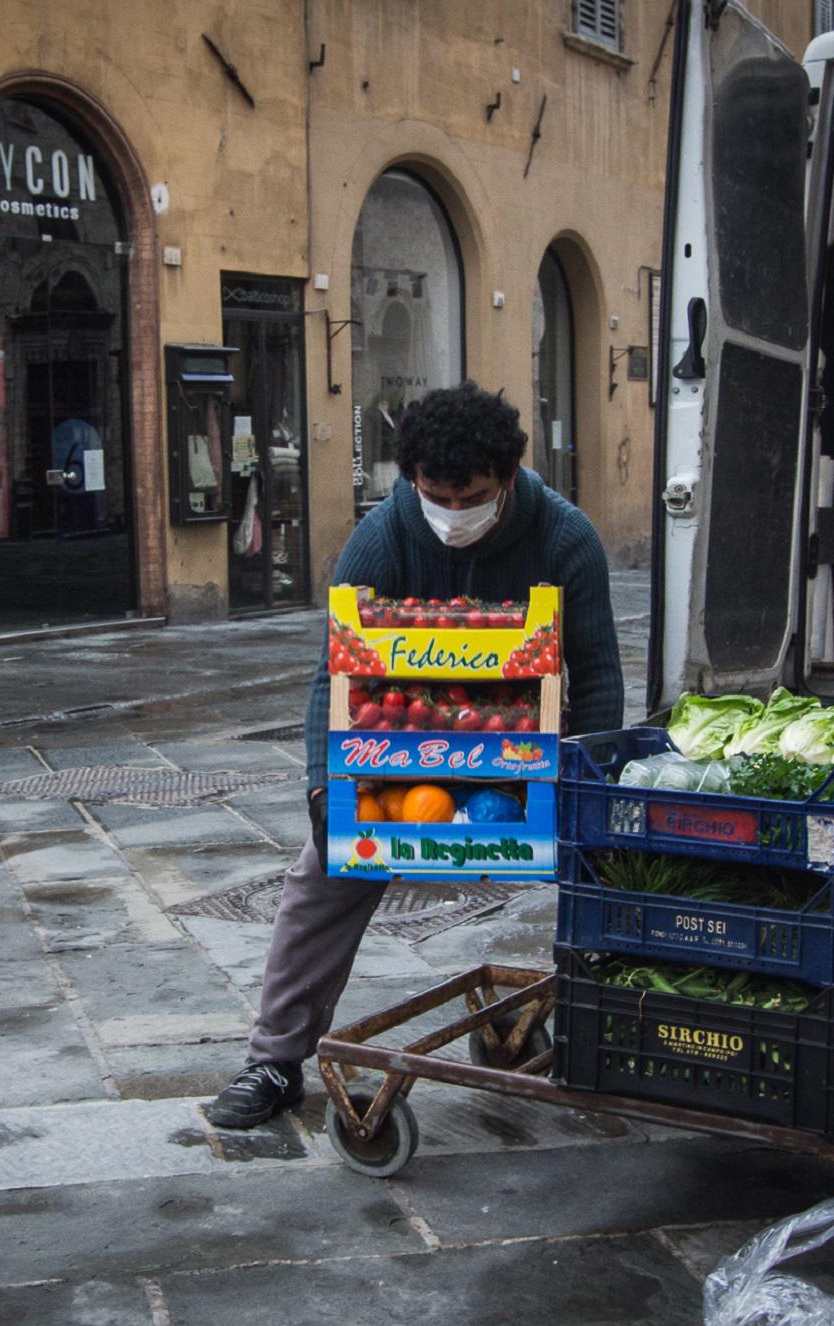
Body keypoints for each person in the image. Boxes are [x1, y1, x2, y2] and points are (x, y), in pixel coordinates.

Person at [206, 380, 624, 1128]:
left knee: (605, 871)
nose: (454, 515)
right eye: (438, 496)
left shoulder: (565, 538)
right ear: (412, 480)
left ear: (508, 479)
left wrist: (590, 785)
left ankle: (612, 1032)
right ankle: (273, 1060)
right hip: (399, 743)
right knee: (322, 872)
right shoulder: (383, 537)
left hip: (517, 746)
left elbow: (597, 674)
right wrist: (320, 787)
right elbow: (332, 675)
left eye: (474, 498)